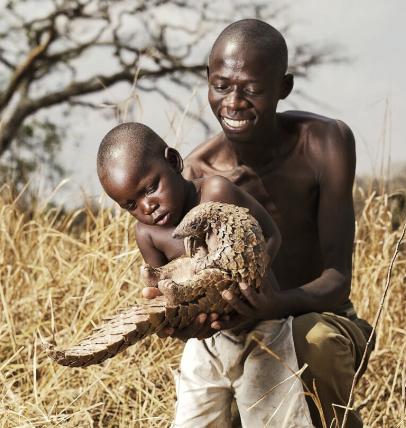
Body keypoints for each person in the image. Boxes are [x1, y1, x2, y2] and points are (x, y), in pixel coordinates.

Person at [140, 19, 375, 427]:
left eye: (252, 88)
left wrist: (276, 305)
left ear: (282, 88)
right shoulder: (194, 177)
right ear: (207, 80)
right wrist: (189, 320)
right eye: (222, 86)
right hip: (240, 331)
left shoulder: (324, 144)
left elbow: (337, 279)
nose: (233, 102)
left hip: (319, 316)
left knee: (311, 344)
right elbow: (200, 282)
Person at [97, 122, 313, 427]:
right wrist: (175, 324)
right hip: (206, 344)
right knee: (193, 421)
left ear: (173, 162)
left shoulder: (216, 191)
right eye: (131, 204)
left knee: (275, 419)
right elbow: (166, 295)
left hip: (263, 330)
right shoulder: (147, 233)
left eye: (150, 187)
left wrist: (253, 275)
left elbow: (271, 234)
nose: (148, 206)